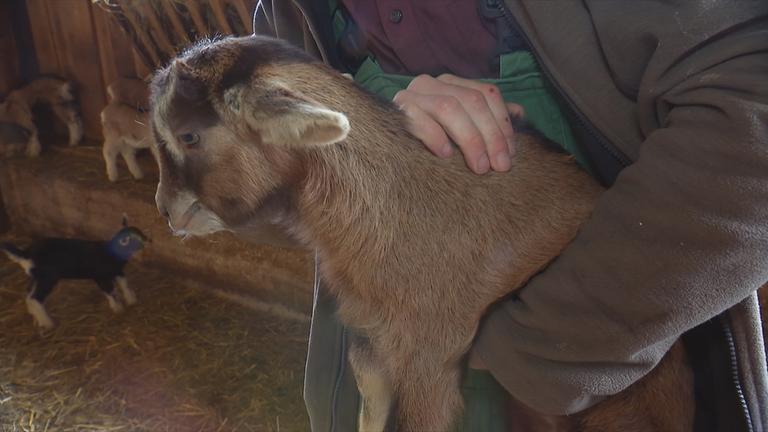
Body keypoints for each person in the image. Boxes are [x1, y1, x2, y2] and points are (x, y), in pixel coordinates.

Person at [253, 1, 768, 431]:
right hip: (381, 379)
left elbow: (750, 123)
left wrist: (538, 350)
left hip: (601, 375)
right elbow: (259, 187)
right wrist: (370, 123)